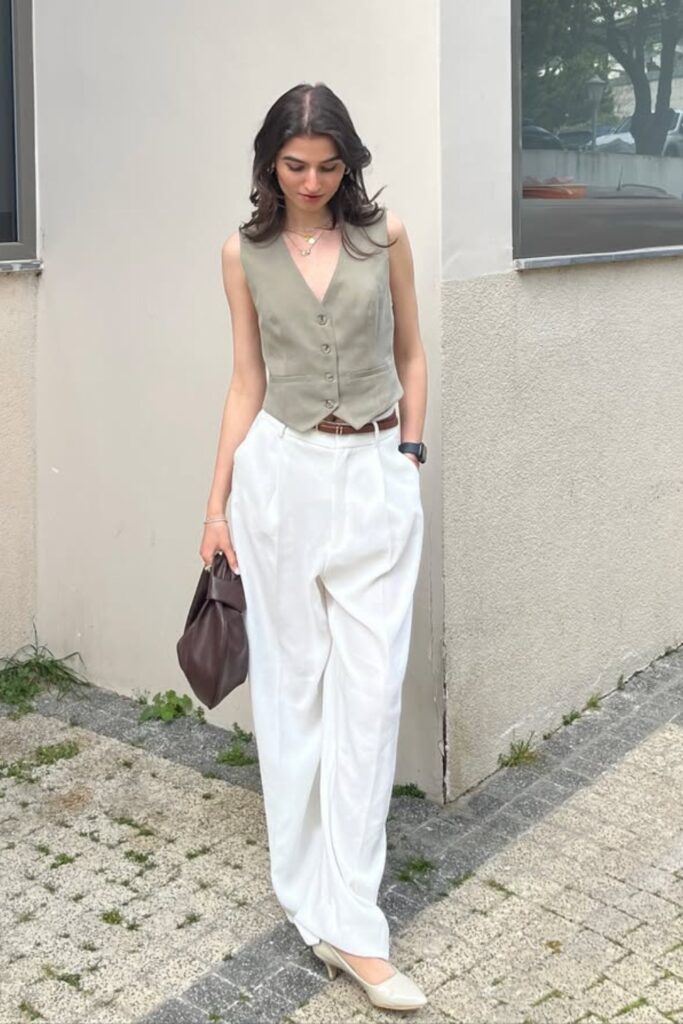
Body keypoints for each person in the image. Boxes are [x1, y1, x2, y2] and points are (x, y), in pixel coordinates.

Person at [200, 82, 428, 1012]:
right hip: (281, 477)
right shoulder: (242, 253)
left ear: (349, 163)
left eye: (329, 165)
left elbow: (412, 351)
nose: (312, 181)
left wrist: (409, 451)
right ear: (270, 165)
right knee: (294, 692)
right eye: (295, 165)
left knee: (368, 698)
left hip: (373, 468)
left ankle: (352, 914)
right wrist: (214, 506)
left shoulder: (386, 240)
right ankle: (316, 903)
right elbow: (244, 381)